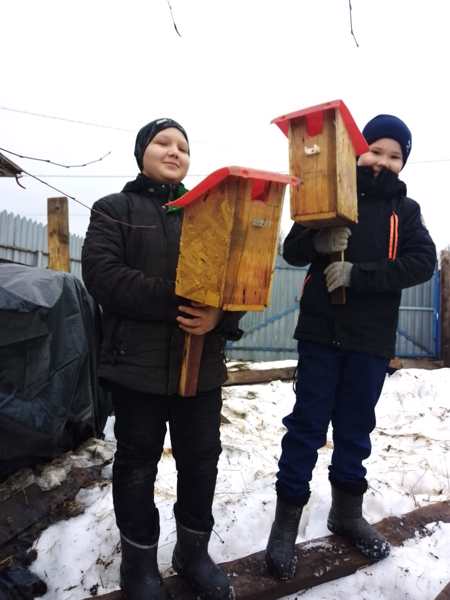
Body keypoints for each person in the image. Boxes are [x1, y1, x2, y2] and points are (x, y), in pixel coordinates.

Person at [265, 114, 437, 579]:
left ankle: (346, 512)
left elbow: (421, 262)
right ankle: (285, 525)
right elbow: (292, 249)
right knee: (306, 426)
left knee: (356, 428)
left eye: (394, 155)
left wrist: (361, 277)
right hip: (321, 334)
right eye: (375, 150)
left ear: (403, 163)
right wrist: (319, 240)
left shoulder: (407, 211)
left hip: (370, 339)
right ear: (358, 152)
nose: (382, 161)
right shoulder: (328, 194)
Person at [82, 118, 242, 600]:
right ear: (142, 152)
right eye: (162, 143)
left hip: (201, 366)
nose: (174, 152)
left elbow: (236, 280)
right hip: (136, 366)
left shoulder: (210, 214)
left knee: (201, 461)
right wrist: (182, 298)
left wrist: (219, 316)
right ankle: (140, 565)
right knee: (136, 464)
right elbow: (104, 276)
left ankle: (192, 554)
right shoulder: (115, 209)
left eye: (183, 147)